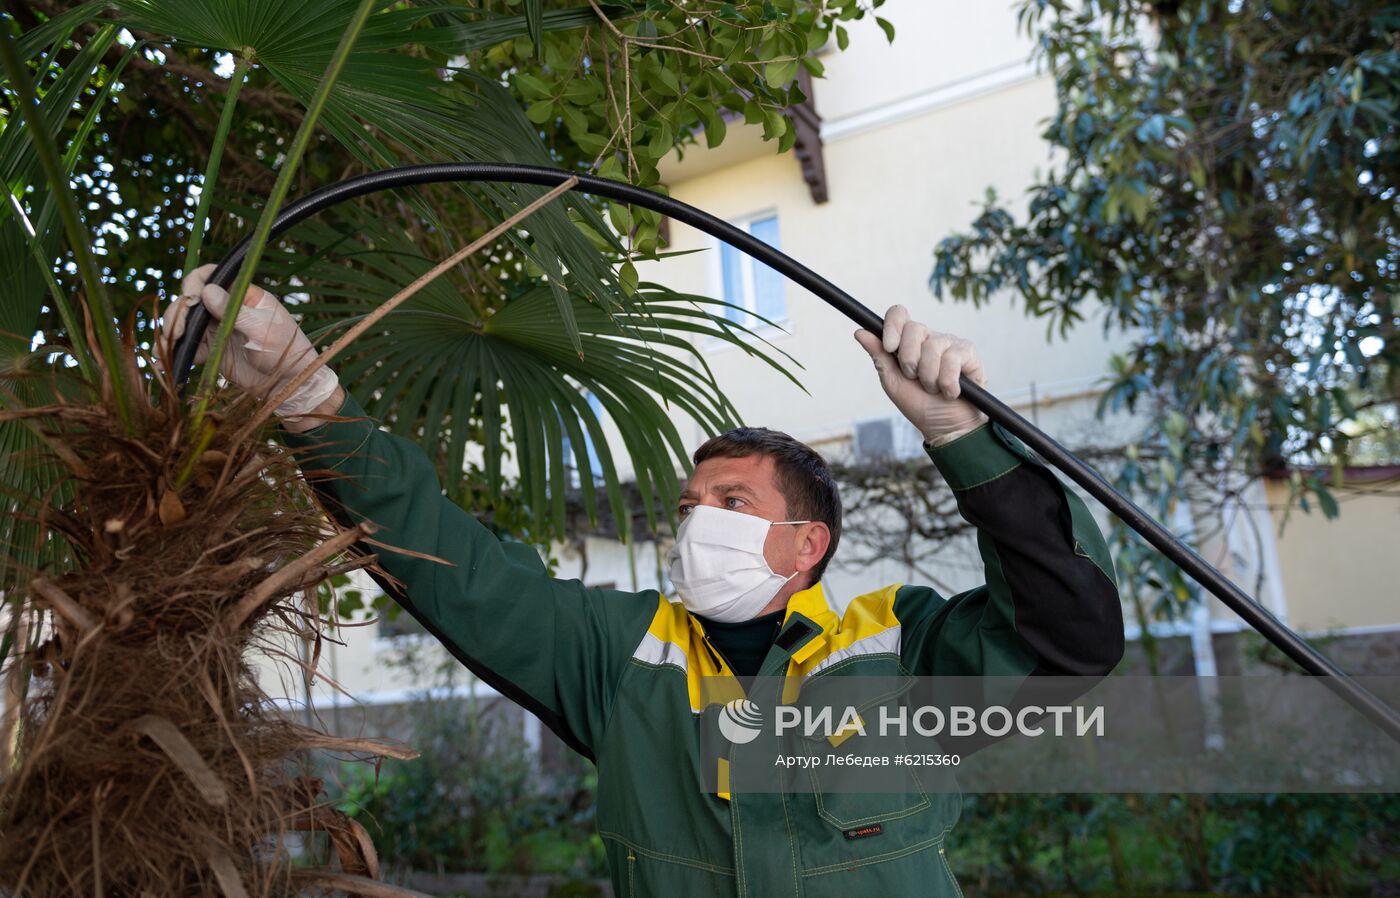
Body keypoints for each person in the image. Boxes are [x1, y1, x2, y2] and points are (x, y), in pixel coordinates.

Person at [162, 265, 1124, 897]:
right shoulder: (617, 654)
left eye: (733, 502)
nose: (699, 520)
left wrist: (962, 436)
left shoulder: (903, 651)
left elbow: (1065, 641)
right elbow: (458, 570)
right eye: (689, 504)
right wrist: (311, 404)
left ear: (807, 546)